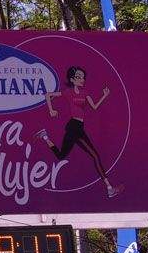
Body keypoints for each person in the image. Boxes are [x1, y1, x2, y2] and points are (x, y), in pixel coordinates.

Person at [36, 65, 124, 198]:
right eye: (78, 77)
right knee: (95, 156)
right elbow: (48, 95)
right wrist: (51, 110)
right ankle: (109, 188)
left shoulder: (85, 93)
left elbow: (94, 107)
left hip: (78, 127)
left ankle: (45, 136)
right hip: (73, 127)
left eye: (83, 77)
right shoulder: (68, 92)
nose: (82, 79)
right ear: (72, 79)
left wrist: (104, 96)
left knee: (61, 155)